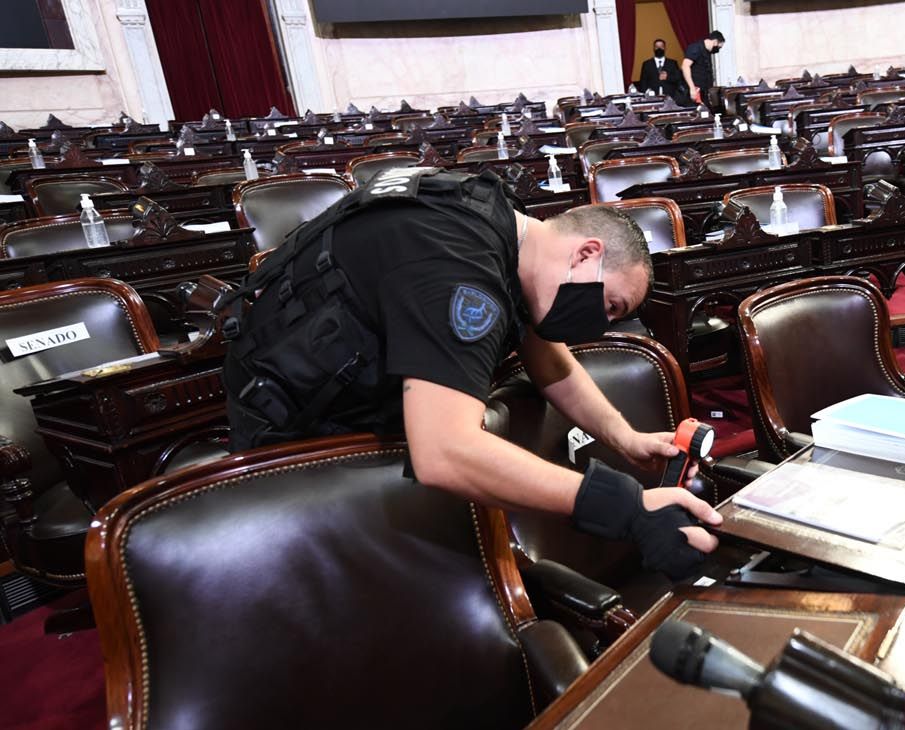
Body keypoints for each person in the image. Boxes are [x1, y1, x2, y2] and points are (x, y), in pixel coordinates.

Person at [219, 166, 720, 579]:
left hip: (358, 420)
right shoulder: (458, 263)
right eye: (610, 304)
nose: (602, 324)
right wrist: (628, 508)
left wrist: (627, 439)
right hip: (295, 451)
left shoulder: (504, 229)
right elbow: (444, 452)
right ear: (586, 253)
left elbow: (550, 361)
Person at [682, 30, 726, 107]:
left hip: (704, 92)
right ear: (715, 42)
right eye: (719, 47)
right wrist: (692, 88)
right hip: (694, 92)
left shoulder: (707, 52)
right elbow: (685, 66)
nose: (718, 50)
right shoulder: (696, 48)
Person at [638, 38, 685, 103]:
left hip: (670, 97)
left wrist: (667, 77)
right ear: (653, 48)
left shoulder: (672, 63)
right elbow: (643, 82)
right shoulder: (647, 64)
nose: (659, 48)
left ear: (665, 48)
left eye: (661, 46)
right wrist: (645, 96)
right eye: (657, 47)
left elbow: (678, 79)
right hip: (652, 97)